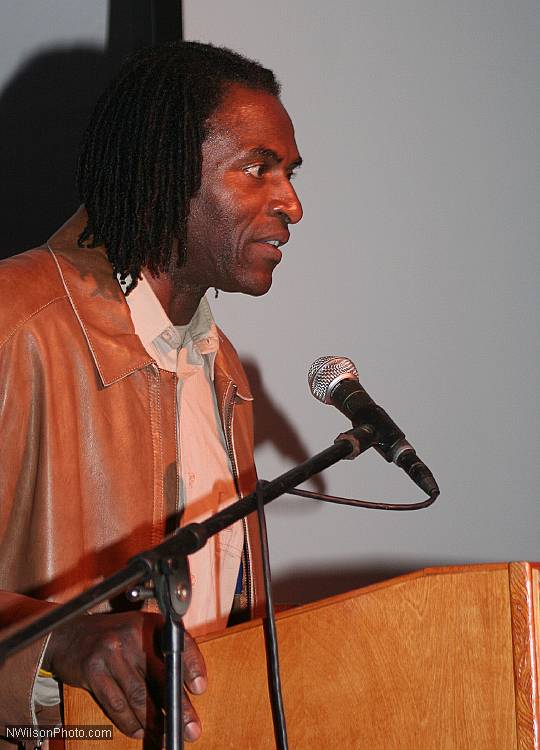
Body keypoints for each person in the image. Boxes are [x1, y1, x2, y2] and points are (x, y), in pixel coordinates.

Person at [0, 40, 302, 743]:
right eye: (258, 168)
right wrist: (60, 644)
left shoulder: (219, 366)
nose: (291, 202)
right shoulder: (18, 321)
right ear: (166, 170)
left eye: (288, 173)